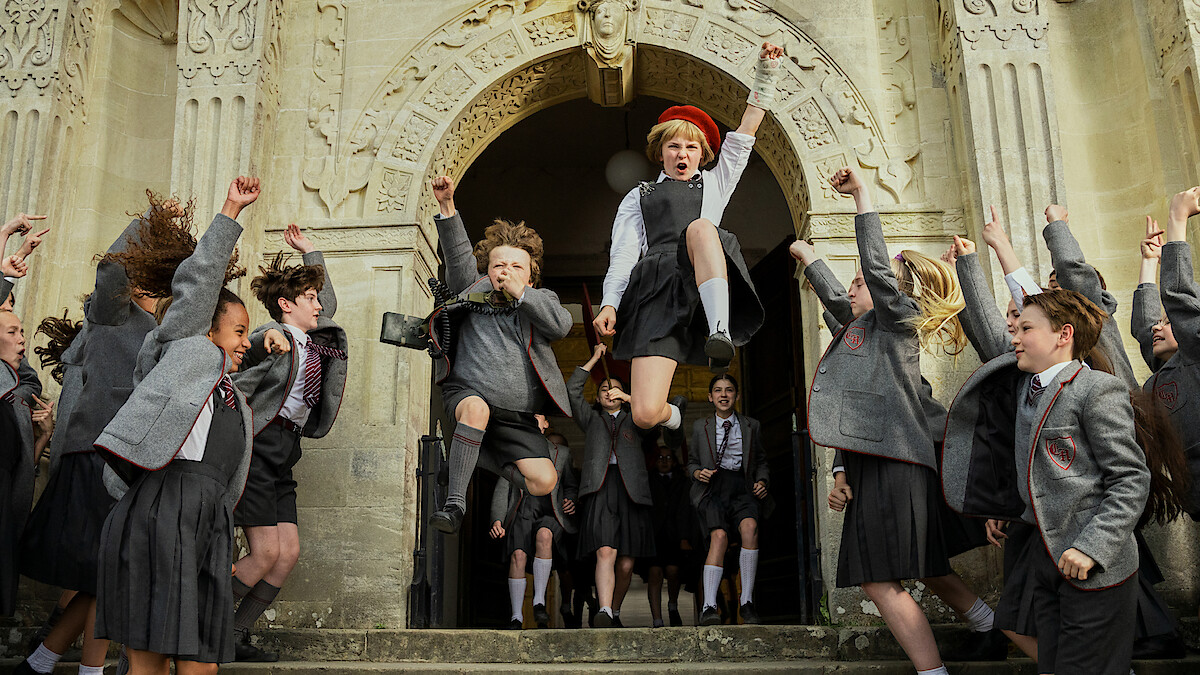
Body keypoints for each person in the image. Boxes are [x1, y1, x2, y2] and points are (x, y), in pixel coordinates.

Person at [798, 167, 990, 675]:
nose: (857, 286)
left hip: (896, 462)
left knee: (879, 578)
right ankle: (991, 624)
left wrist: (862, 196)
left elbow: (878, 272)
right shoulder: (867, 335)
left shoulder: (897, 320)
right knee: (922, 566)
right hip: (883, 462)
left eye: (863, 280)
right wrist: (811, 259)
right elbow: (842, 310)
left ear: (893, 294)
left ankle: (933, 673)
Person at [87, 177, 259, 675]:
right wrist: (230, 212)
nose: (245, 341)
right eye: (240, 331)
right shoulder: (183, 347)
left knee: (203, 661)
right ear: (209, 327)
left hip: (208, 522)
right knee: (151, 660)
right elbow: (200, 281)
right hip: (161, 510)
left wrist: (222, 531)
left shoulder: (237, 399)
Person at [941, 286, 1150, 674]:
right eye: (1015, 329)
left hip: (1094, 565)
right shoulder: (1022, 387)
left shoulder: (1097, 389)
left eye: (1026, 329)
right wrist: (1008, 507)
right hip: (1044, 559)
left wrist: (1092, 547)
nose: (1014, 337)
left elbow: (1130, 479)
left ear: (1063, 335)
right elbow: (1034, 470)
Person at [18, 196, 187, 675]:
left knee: (102, 578)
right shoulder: (113, 313)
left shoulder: (158, 327)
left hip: (121, 459)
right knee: (107, 574)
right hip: (96, 457)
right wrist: (152, 223)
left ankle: (41, 661)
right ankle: (83, 670)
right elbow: (111, 267)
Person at [592, 43, 784, 446]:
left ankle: (719, 331)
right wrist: (610, 302)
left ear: (703, 154)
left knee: (699, 228)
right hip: (656, 293)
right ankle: (673, 413)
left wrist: (766, 74)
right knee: (644, 414)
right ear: (660, 151)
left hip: (700, 276)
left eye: (691, 146)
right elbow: (624, 254)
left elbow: (746, 132)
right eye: (674, 145)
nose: (683, 153)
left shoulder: (715, 181)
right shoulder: (638, 196)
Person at [228, 224, 348, 661]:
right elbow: (257, 341)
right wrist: (267, 338)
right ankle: (198, 622)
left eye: (317, 298)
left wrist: (311, 251)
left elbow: (327, 301)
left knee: (287, 554)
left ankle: (233, 635)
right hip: (260, 446)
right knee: (263, 555)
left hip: (287, 450)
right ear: (286, 305)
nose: (319, 305)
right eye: (309, 299)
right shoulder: (272, 335)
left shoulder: (315, 337)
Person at [426, 176, 571, 535]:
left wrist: (522, 294)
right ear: (486, 271)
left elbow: (561, 325)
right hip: (468, 394)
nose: (505, 271)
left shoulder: (541, 300)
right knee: (476, 409)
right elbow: (458, 255)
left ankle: (469, 455)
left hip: (516, 417)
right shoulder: (472, 290)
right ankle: (454, 503)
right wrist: (447, 206)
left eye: (515, 266)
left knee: (543, 481)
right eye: (498, 265)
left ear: (531, 277)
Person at [569, 343, 654, 627]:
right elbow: (571, 392)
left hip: (632, 492)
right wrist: (594, 358)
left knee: (627, 564)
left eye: (614, 388)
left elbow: (669, 408)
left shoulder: (638, 419)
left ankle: (614, 610)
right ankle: (603, 610)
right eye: (604, 389)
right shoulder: (591, 419)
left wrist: (631, 398)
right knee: (605, 551)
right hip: (600, 489)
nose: (609, 392)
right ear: (598, 396)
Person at [686, 374, 769, 626]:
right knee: (719, 537)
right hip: (712, 488)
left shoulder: (751, 425)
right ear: (710, 397)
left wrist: (762, 481)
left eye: (729, 390)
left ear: (737, 396)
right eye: (718, 391)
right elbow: (690, 462)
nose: (724, 395)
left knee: (750, 528)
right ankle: (709, 606)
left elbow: (762, 461)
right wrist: (696, 472)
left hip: (742, 487)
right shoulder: (700, 427)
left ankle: (747, 602)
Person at [489, 414, 578, 629]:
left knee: (545, 535)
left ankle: (539, 603)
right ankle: (516, 617)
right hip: (521, 511)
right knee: (517, 556)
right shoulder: (512, 452)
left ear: (546, 423)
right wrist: (497, 520)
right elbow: (503, 489)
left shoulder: (562, 453)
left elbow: (570, 485)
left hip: (551, 511)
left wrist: (571, 500)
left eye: (536, 416)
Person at [1, 310, 54, 619]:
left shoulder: (16, 406)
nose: (22, 339)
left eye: (22, 331)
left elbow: (19, 474)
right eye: (12, 332)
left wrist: (43, 436)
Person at [643, 445, 694, 628]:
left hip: (675, 534)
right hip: (654, 535)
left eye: (668, 457)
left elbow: (685, 510)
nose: (664, 462)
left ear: (674, 461)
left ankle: (673, 605)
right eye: (660, 458)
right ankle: (657, 618)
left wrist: (685, 537)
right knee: (654, 573)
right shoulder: (648, 480)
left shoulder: (682, 481)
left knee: (673, 571)